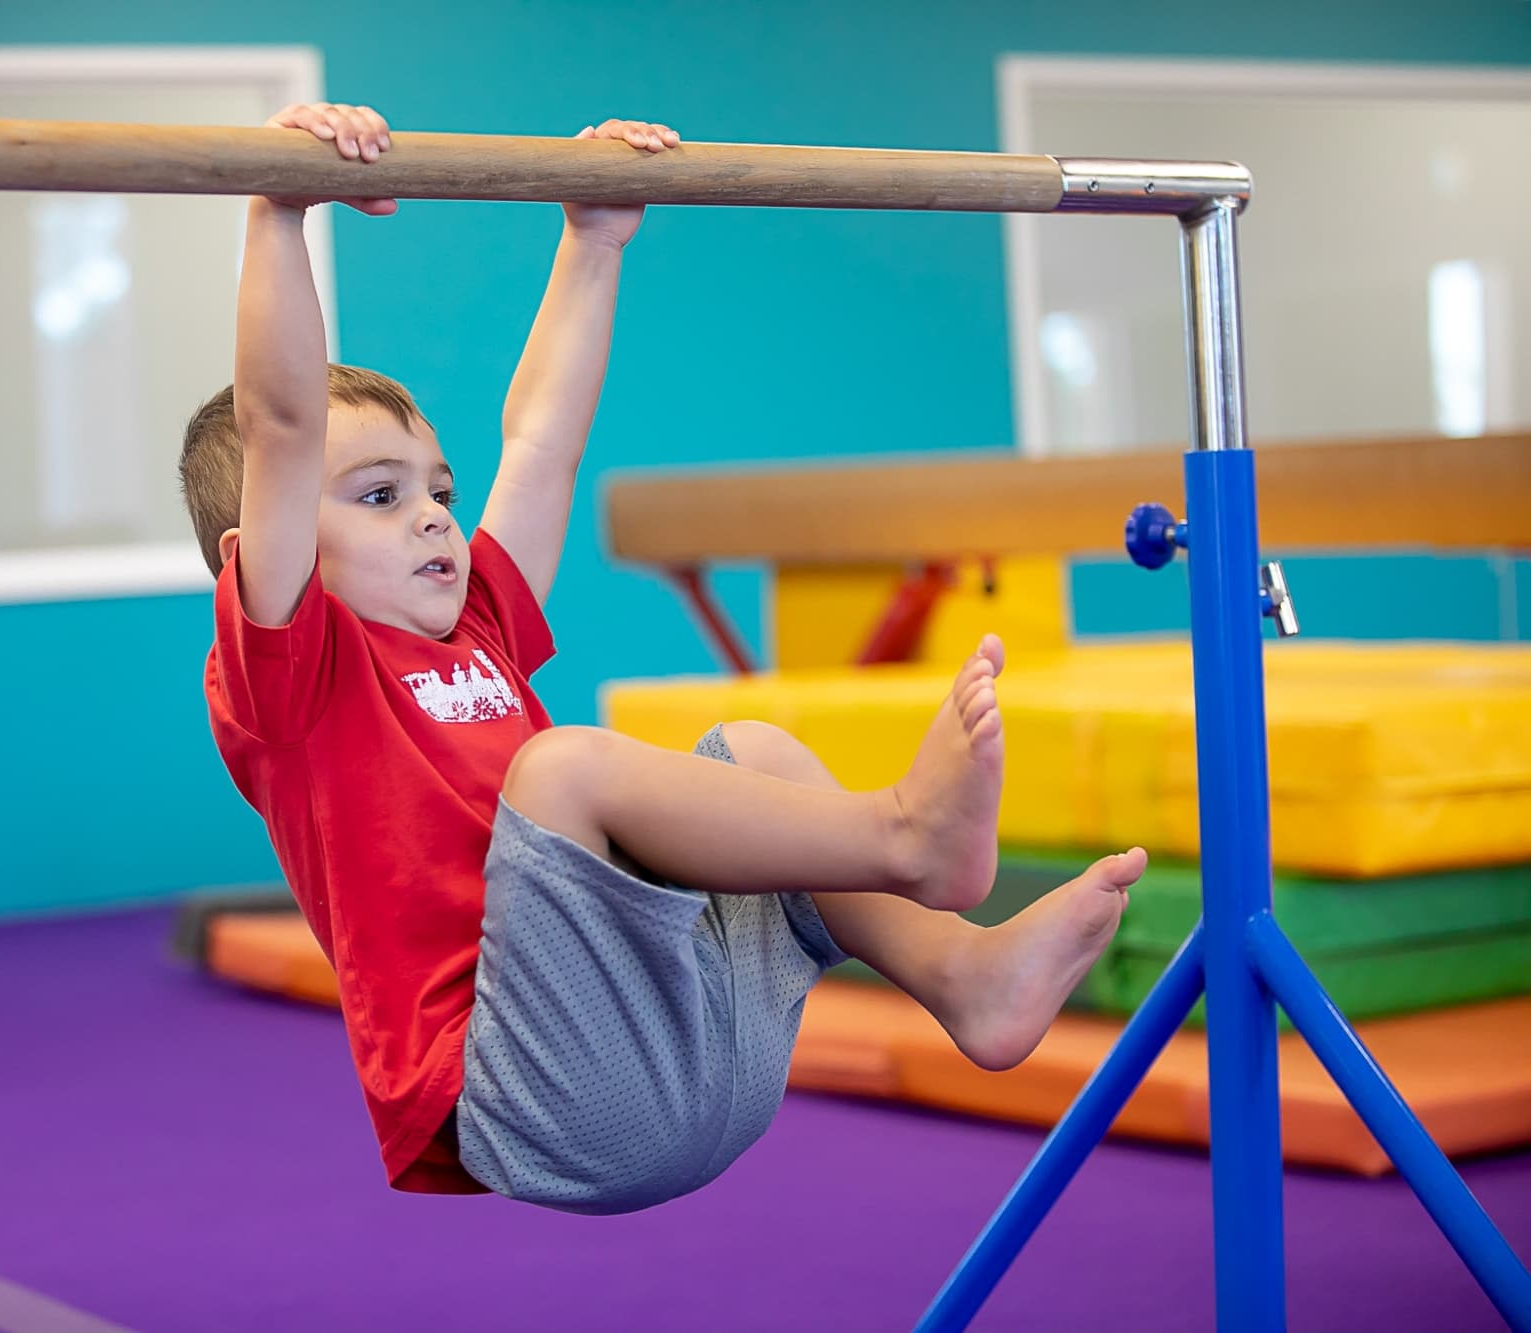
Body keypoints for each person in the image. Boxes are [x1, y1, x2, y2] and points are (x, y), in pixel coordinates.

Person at [183, 101, 1147, 1215]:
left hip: (686, 1051)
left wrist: (590, 242)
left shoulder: (478, 629)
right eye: (381, 496)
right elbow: (282, 424)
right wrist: (274, 208)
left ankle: (960, 976)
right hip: (532, 1097)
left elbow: (542, 441)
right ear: (262, 549)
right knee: (563, 767)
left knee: (755, 750)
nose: (436, 519)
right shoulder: (294, 680)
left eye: (436, 492)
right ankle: (900, 834)